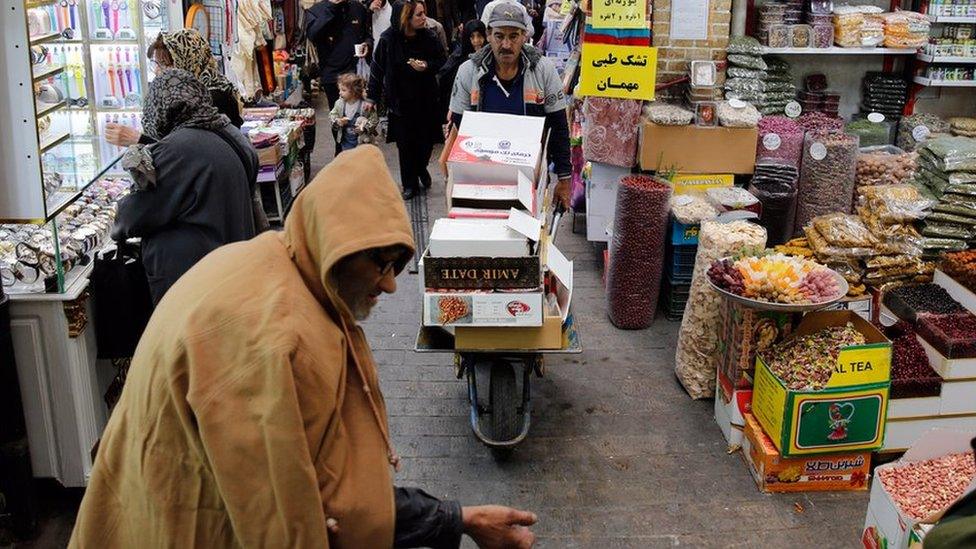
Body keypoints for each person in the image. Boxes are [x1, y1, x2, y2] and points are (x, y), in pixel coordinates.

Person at [69, 146, 537, 549]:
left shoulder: (276, 262)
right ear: (338, 244)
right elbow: (290, 521)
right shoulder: (270, 340)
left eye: (398, 264)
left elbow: (334, 495)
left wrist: (459, 520)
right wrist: (457, 520)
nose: (391, 286)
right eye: (381, 263)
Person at [111, 69, 259, 305]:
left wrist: (119, 210)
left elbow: (135, 216)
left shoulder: (177, 149)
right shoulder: (227, 130)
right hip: (232, 263)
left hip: (192, 278)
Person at [448, 0, 571, 209]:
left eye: (513, 36)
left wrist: (565, 179)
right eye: (499, 36)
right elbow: (460, 127)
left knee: (528, 239)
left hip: (530, 180)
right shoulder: (469, 72)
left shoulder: (543, 71)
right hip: (481, 180)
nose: (506, 45)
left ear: (525, 36)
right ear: (488, 35)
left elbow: (559, 126)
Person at [104, 29, 243, 147]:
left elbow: (188, 151)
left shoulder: (212, 99)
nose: (158, 71)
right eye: (156, 64)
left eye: (165, 64)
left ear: (188, 61)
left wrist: (138, 139)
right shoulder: (189, 95)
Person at [367, 0, 446, 200]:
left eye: (423, 13)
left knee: (426, 143)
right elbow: (377, 69)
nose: (423, 18)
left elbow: (441, 61)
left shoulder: (429, 37)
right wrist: (372, 97)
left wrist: (426, 66)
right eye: (418, 15)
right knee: (405, 145)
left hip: (426, 100)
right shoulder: (388, 40)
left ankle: (420, 168)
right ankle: (409, 183)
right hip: (400, 102)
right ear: (406, 19)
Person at [306, 0, 372, 155]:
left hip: (354, 72)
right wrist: (332, 7)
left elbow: (367, 34)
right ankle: (340, 151)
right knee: (339, 115)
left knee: (357, 114)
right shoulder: (317, 10)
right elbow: (313, 34)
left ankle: (353, 151)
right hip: (332, 75)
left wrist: (367, 45)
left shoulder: (357, 8)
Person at [437, 19, 486, 123]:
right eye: (472, 37)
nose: (476, 41)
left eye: (479, 36)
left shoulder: (490, 60)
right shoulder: (458, 59)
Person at [329, 72, 379, 152]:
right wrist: (338, 121)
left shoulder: (364, 105)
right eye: (340, 90)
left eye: (343, 90)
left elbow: (374, 119)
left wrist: (365, 127)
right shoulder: (339, 103)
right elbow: (332, 114)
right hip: (346, 142)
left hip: (363, 142)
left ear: (354, 91)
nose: (340, 92)